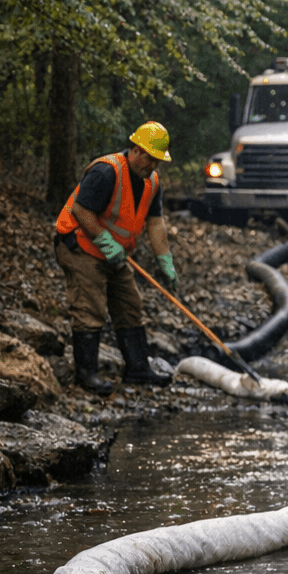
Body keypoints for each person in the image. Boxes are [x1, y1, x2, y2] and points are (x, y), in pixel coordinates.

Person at [54, 121, 180, 395]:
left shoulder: (152, 182)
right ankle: (86, 374)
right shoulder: (106, 171)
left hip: (115, 252)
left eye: (158, 162)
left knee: (130, 303)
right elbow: (81, 211)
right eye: (150, 160)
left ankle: (137, 368)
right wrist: (107, 243)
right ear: (136, 150)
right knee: (90, 306)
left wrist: (165, 261)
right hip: (81, 246)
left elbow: (156, 224)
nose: (153, 167)